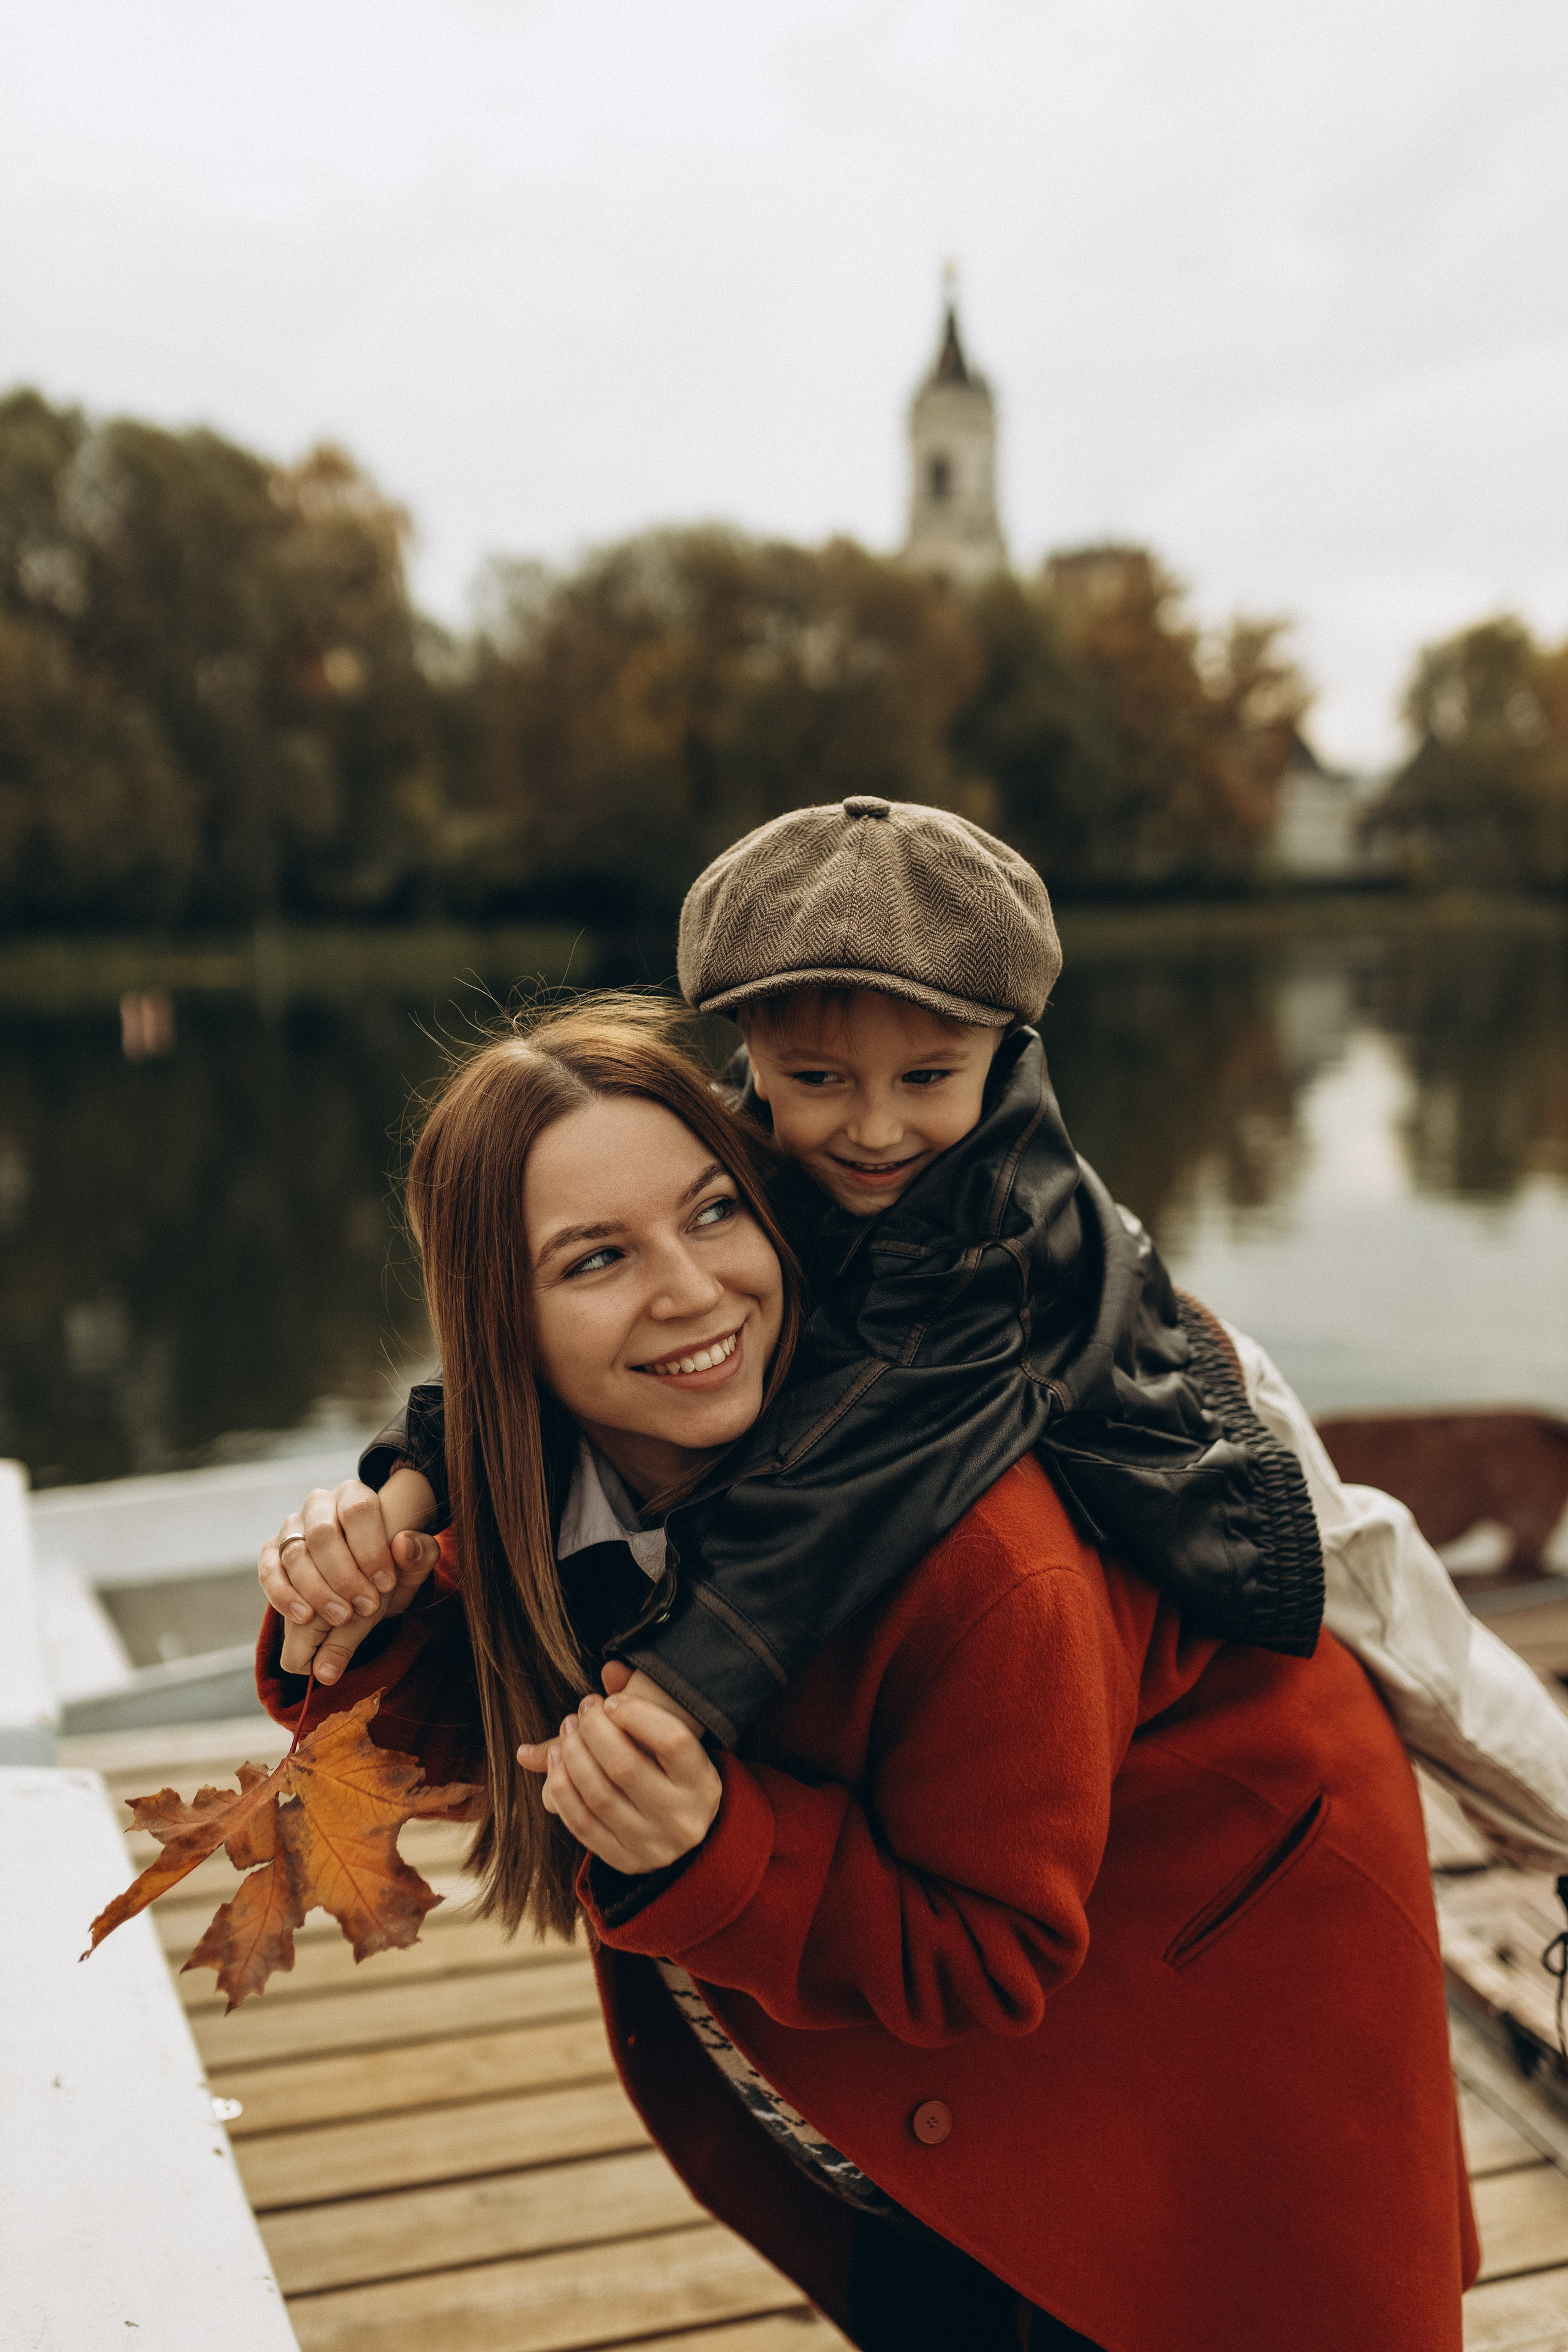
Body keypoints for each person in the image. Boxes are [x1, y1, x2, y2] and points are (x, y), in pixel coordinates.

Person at [256, 1000, 1473, 2352]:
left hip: (1205, 1978)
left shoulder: (973, 1547)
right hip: (941, 2085)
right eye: (597, 1256)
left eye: (714, 1212)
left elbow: (988, 1952)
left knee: (1181, 2290)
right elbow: (519, 1744)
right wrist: (364, 1626)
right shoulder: (546, 1479)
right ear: (500, 1320)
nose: (688, 1289)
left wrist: (718, 1849)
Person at [260, 797, 1327, 1737]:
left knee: (1419, 1651)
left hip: (1195, 1424)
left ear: (1004, 1051)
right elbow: (503, 1365)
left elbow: (860, 1470)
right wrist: (409, 1488)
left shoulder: (989, 1229)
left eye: (926, 1076)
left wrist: (676, 1690)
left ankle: (1506, 1789)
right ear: (753, 1057)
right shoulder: (739, 1152)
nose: (872, 1127)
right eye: (818, 1077)